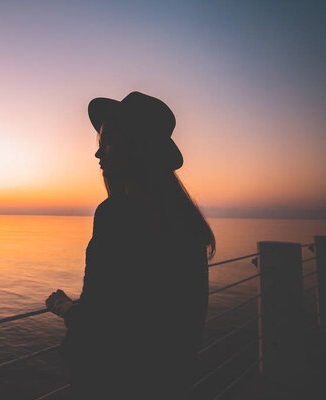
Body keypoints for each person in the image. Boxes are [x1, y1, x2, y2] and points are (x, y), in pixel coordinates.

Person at [45, 91, 215, 399]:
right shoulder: (185, 222)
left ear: (137, 146)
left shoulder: (116, 215)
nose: (99, 154)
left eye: (107, 141)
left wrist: (64, 307)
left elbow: (99, 327)